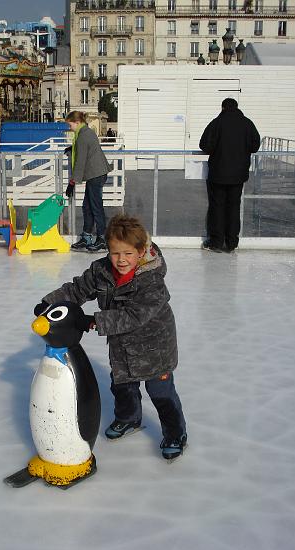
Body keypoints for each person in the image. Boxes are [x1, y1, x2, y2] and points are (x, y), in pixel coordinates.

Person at [34, 214, 187, 460]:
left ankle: (175, 432)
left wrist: (94, 320)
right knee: (122, 386)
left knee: (161, 392)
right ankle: (129, 419)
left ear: (141, 251)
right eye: (115, 253)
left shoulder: (152, 282)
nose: (121, 260)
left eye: (128, 254)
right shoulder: (103, 270)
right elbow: (78, 288)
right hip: (121, 345)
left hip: (154, 346)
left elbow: (134, 316)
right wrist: (50, 302)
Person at [199, 98, 260, 253]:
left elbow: (204, 145)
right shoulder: (247, 124)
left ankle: (216, 242)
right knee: (233, 207)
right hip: (238, 176)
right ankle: (232, 243)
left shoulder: (217, 123)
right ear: (237, 107)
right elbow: (255, 145)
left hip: (218, 174)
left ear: (223, 107)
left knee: (217, 207)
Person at [65, 111, 113, 253]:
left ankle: (102, 239)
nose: (69, 127)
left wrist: (72, 182)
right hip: (96, 173)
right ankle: (87, 236)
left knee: (95, 206)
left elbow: (80, 162)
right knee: (87, 206)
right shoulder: (85, 132)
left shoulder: (83, 136)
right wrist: (73, 148)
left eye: (70, 124)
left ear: (77, 122)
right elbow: (84, 150)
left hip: (96, 174)